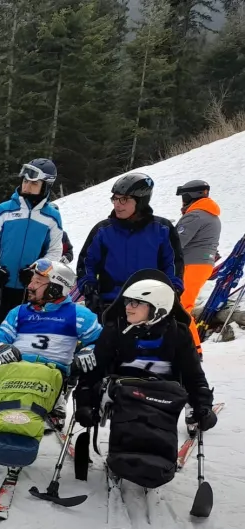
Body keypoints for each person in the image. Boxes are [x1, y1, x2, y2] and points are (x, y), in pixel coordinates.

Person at [73, 270, 215, 490]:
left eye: (137, 303)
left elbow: (193, 376)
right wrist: (84, 403)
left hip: (162, 394)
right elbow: (94, 370)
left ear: (157, 307)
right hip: (123, 392)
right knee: (128, 399)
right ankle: (129, 458)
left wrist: (203, 406)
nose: (128, 306)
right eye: (128, 301)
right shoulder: (116, 330)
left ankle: (151, 459)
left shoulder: (178, 333)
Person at [0, 159, 64, 392]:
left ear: (46, 185)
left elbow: (55, 251)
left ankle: (10, 383)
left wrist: (35, 270)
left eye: (34, 182)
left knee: (20, 337)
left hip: (28, 287)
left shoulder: (51, 216)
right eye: (25, 180)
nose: (27, 185)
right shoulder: (4, 209)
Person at [0, 259, 101, 440]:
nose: (30, 285)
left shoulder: (79, 315)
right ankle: (11, 421)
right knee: (7, 372)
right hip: (15, 370)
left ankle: (44, 409)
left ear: (56, 287)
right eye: (31, 280)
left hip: (50, 374)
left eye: (37, 282)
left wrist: (89, 351)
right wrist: (0, 347)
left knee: (42, 376)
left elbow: (101, 343)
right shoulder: (19, 312)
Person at [78, 172, 184, 314]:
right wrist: (89, 290)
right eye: (115, 199)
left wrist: (173, 291)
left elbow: (173, 264)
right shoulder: (102, 231)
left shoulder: (162, 229)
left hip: (149, 305)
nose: (117, 204)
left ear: (141, 202)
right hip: (109, 304)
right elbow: (86, 263)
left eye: (124, 199)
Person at [174, 179, 221, 349]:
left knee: (180, 307)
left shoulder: (195, 215)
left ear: (191, 196)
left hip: (191, 265)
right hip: (202, 265)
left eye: (184, 197)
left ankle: (193, 349)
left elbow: (176, 243)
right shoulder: (211, 216)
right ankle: (189, 347)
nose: (182, 201)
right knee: (183, 305)